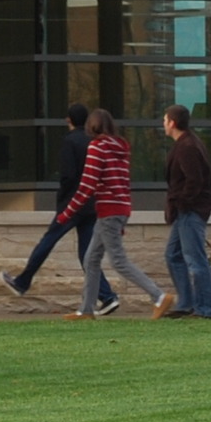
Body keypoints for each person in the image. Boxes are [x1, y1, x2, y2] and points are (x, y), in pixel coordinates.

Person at [50, 106, 167, 320]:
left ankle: (158, 296)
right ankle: (86, 309)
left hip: (108, 210)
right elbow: (122, 182)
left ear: (91, 126)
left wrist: (67, 213)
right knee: (91, 260)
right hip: (118, 208)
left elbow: (87, 186)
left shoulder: (97, 147)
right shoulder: (121, 147)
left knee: (118, 261)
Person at [0, 102, 115, 308]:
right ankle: (107, 296)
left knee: (48, 241)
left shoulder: (70, 142)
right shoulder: (93, 142)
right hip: (92, 204)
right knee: (86, 253)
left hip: (73, 202)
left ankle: (23, 281)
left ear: (68, 120)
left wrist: (63, 198)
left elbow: (68, 175)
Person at [161, 104, 211, 319]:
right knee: (173, 255)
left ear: (173, 123)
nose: (163, 124)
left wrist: (182, 202)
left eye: (165, 120)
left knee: (195, 260)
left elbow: (194, 180)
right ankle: (186, 303)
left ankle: (205, 309)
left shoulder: (187, 147)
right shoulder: (186, 144)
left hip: (190, 211)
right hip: (185, 211)